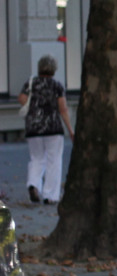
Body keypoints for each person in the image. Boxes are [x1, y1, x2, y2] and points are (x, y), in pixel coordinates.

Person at [17, 55, 75, 205]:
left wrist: (33, 108)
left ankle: (33, 184)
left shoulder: (31, 83)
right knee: (54, 160)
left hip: (33, 127)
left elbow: (21, 98)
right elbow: (63, 108)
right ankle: (50, 195)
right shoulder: (57, 85)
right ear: (54, 70)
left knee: (36, 158)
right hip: (53, 127)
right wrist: (70, 129)